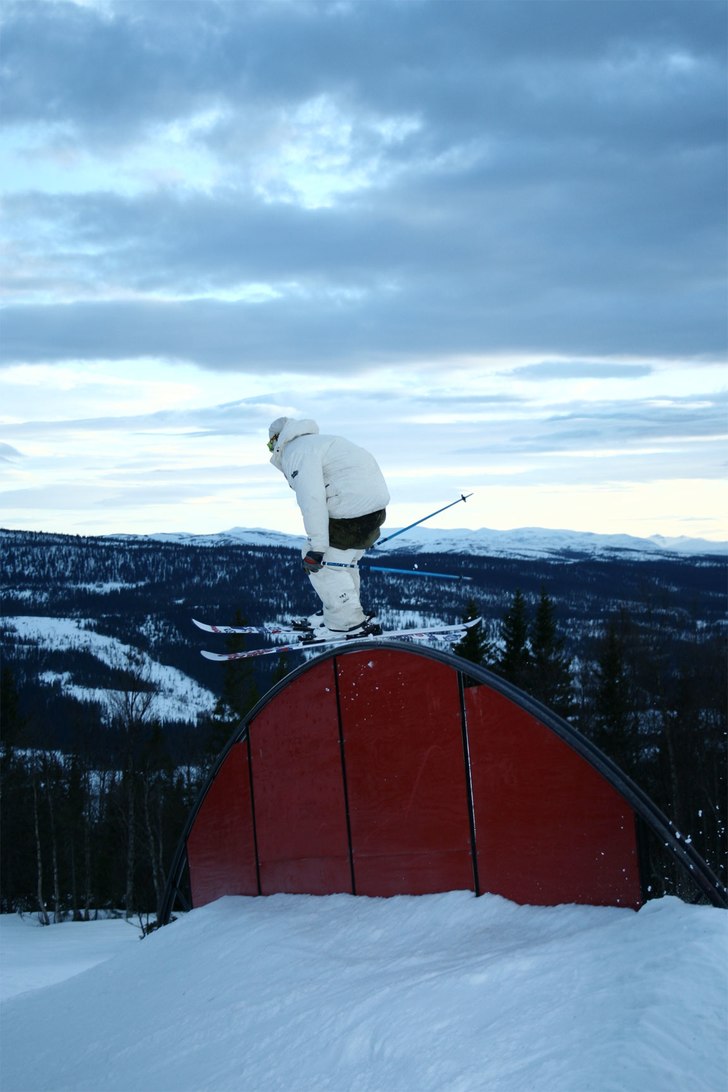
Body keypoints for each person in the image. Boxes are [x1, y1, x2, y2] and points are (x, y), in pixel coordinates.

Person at [268, 417, 390, 635]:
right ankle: (346, 612)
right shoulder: (322, 442)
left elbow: (312, 499)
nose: (271, 450)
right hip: (374, 510)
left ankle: (347, 622)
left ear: (278, 440)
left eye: (270, 445)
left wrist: (317, 547)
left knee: (320, 561)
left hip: (350, 511)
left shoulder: (297, 451)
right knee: (344, 561)